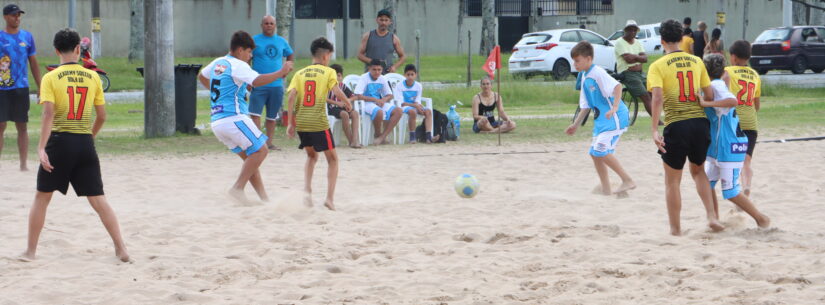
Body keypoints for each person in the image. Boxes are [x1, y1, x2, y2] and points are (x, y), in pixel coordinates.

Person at [21, 28, 128, 262]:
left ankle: (30, 252)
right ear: (79, 49)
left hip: (59, 142)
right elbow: (101, 117)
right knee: (99, 200)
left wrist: (41, 147)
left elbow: (48, 113)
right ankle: (121, 248)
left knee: (42, 197)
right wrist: (89, 137)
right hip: (84, 143)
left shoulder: (50, 78)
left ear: (56, 51)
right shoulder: (93, 77)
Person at [198, 31, 293, 203]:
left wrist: (229, 91)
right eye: (249, 52)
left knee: (251, 161)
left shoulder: (219, 62)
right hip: (233, 118)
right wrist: (281, 72)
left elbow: (202, 76)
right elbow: (257, 81)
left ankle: (264, 199)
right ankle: (237, 188)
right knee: (262, 150)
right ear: (240, 50)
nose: (250, 57)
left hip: (217, 122)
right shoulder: (238, 65)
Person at [647, 19, 721, 236]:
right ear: (682, 38)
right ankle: (711, 216)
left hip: (676, 125)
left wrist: (654, 129)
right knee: (698, 171)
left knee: (672, 181)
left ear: (662, 40)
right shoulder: (697, 61)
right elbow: (709, 95)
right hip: (699, 124)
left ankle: (675, 229)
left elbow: (658, 97)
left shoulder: (657, 66)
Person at [699, 54, 770, 229]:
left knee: (730, 192)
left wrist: (704, 103)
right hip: (718, 147)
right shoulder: (717, 85)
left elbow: (733, 100)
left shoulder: (715, 85)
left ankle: (762, 219)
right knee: (706, 184)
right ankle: (714, 219)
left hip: (729, 146)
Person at [286, 37, 350, 211]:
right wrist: (346, 102)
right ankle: (329, 199)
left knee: (311, 156)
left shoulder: (299, 73)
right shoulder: (328, 72)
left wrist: (290, 123)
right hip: (318, 122)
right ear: (325, 56)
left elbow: (291, 97)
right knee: (333, 160)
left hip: (302, 122)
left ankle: (307, 189)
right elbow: (336, 90)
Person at [565, 41, 635, 196]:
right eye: (574, 61)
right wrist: (575, 124)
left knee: (600, 151)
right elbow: (586, 105)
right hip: (602, 120)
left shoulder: (597, 72)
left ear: (589, 59)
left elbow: (617, 87)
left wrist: (615, 107)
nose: (575, 64)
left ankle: (627, 180)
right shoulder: (584, 76)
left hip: (615, 117)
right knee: (594, 153)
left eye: (577, 60)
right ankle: (606, 189)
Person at [0, 4, 41, 171]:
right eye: (13, 15)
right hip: (2, 87)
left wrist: (40, 86)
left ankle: (23, 164)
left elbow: (34, 64)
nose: (16, 18)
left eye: (18, 15)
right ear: (5, 17)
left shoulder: (27, 37)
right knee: (1, 126)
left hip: (21, 87)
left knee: (22, 126)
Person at [250, 15, 294, 151]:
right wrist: (247, 77)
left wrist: (288, 67)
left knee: (271, 117)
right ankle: (257, 143)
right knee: (255, 115)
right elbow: (246, 57)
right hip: (258, 84)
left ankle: (269, 143)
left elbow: (290, 54)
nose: (269, 25)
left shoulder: (281, 41)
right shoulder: (254, 41)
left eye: (271, 23)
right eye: (266, 23)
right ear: (261, 25)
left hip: (276, 85)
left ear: (275, 26)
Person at [724, 40, 761, 197]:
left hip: (735, 122)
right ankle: (747, 185)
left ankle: (737, 190)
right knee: (747, 161)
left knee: (733, 161)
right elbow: (756, 105)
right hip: (751, 123)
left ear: (733, 57)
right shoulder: (755, 75)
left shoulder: (727, 71)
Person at [614, 20, 659, 125]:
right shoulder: (620, 42)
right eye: (630, 30)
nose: (633, 32)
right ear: (626, 30)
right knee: (645, 96)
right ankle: (656, 121)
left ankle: (656, 117)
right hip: (628, 73)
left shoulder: (638, 42)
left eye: (634, 30)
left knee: (653, 92)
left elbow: (645, 59)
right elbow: (628, 59)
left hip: (640, 73)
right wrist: (638, 58)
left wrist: (634, 57)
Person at [354, 59, 402, 144]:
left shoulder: (382, 78)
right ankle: (377, 134)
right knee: (379, 112)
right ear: (369, 69)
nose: (377, 72)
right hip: (366, 104)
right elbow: (358, 95)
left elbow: (390, 95)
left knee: (398, 111)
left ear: (382, 70)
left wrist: (384, 100)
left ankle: (382, 137)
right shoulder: (364, 78)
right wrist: (374, 100)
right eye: (374, 69)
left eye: (379, 70)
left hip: (378, 103)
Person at [358, 9, 406, 74]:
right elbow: (359, 55)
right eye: (381, 20)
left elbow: (403, 56)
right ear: (377, 20)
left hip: (387, 75)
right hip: (370, 75)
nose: (383, 23)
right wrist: (373, 62)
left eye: (386, 20)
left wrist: (394, 67)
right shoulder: (368, 36)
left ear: (390, 22)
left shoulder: (394, 38)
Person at [394, 64, 433, 143]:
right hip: (404, 107)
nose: (410, 77)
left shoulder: (418, 85)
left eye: (412, 74)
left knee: (428, 111)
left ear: (416, 75)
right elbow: (402, 103)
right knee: (412, 112)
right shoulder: (399, 86)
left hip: (415, 105)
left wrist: (418, 106)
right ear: (404, 75)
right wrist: (415, 106)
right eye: (408, 75)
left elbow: (417, 99)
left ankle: (428, 137)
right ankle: (412, 137)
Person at [327, 64, 361, 148]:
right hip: (332, 108)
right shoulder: (327, 86)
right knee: (345, 115)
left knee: (355, 114)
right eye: (334, 76)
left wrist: (348, 101)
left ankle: (354, 140)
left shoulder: (343, 86)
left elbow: (355, 96)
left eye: (339, 75)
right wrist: (337, 103)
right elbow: (323, 98)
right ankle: (350, 141)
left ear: (341, 76)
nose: (337, 78)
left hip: (343, 107)